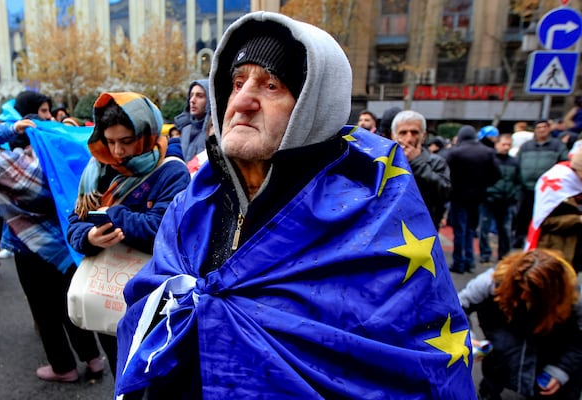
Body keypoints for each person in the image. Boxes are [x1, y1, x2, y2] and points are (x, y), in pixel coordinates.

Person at [114, 12, 475, 399]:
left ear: (313, 107)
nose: (243, 101)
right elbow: (148, 304)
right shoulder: (191, 205)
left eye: (271, 85)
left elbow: (409, 366)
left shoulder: (370, 220)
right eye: (237, 83)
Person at [0, 90, 104, 382]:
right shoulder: (59, 155)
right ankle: (94, 359)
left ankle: (64, 368)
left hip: (29, 248)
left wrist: (10, 129)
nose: (48, 117)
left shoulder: (6, 165)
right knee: (69, 304)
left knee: (45, 311)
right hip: (64, 242)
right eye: (44, 112)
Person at [67, 92, 191, 377]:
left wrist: (111, 214)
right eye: (110, 142)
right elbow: (75, 220)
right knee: (119, 370)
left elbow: (163, 231)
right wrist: (90, 238)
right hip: (107, 293)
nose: (118, 152)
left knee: (152, 375)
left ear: (146, 133)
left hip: (153, 299)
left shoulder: (171, 172)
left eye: (126, 141)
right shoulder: (97, 169)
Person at [458, 248, 582, 400]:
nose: (523, 296)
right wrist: (466, 337)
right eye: (520, 289)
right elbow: (457, 308)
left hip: (548, 375)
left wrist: (561, 370)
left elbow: (578, 341)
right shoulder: (492, 282)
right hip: (499, 371)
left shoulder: (572, 299)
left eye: (531, 293)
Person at [445, 125, 501, 273]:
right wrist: (483, 185)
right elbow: (497, 174)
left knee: (459, 231)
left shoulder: (455, 153)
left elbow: (445, 173)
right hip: (477, 196)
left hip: (458, 196)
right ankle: (469, 260)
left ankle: (459, 262)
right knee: (470, 230)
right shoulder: (487, 152)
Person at [391, 110, 451, 230]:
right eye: (403, 133)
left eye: (414, 132)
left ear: (423, 136)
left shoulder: (436, 162)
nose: (409, 138)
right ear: (394, 136)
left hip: (424, 230)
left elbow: (444, 191)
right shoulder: (386, 161)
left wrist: (416, 162)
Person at [513, 120, 569, 248]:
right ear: (535, 130)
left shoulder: (557, 145)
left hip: (547, 190)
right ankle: (519, 240)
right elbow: (517, 163)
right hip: (526, 188)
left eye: (544, 127)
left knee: (544, 217)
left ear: (549, 129)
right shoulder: (526, 146)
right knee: (523, 216)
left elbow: (564, 164)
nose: (542, 130)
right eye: (539, 127)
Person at [526, 149, 582, 272]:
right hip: (555, 247)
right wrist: (577, 220)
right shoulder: (556, 185)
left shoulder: (577, 184)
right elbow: (545, 221)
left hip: (574, 249)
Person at [478, 133, 521, 263]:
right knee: (484, 228)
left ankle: (504, 254)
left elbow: (518, 181)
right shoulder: (490, 159)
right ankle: (485, 254)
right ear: (497, 144)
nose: (506, 147)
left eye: (509, 145)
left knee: (505, 230)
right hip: (489, 199)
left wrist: (514, 195)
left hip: (506, 200)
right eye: (504, 144)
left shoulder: (514, 162)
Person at [173, 79, 210, 161]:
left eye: (199, 96)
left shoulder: (214, 132)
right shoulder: (185, 129)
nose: (192, 100)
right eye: (191, 95)